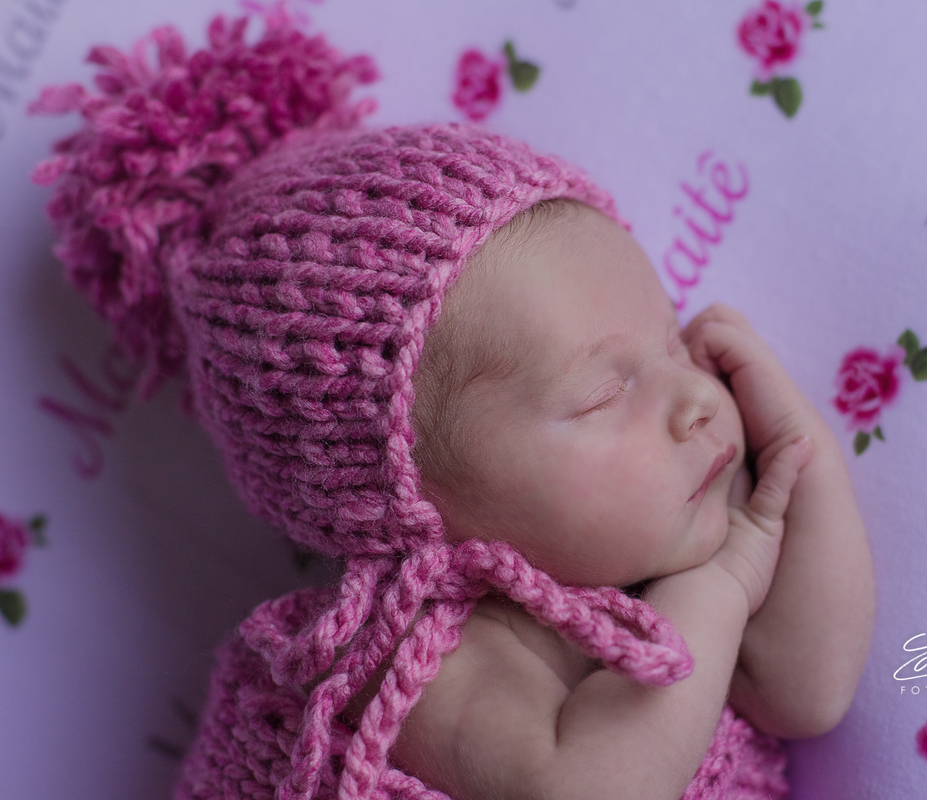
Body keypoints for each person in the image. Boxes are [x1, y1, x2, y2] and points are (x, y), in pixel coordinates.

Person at [32, 12, 873, 800]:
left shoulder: (637, 541)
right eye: (605, 393)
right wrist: (720, 590)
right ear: (413, 506)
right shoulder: (420, 658)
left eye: (671, 341)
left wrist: (800, 450)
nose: (693, 397)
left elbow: (806, 692)